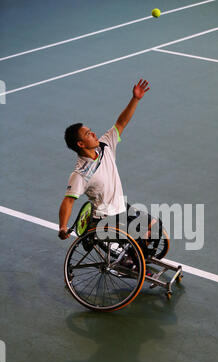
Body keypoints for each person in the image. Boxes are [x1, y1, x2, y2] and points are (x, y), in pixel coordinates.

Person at [58, 79, 158, 252]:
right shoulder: (80, 173)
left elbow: (121, 123)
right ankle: (128, 260)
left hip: (120, 207)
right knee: (139, 239)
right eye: (88, 134)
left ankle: (137, 256)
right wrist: (62, 227)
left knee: (153, 225)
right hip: (105, 218)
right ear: (81, 144)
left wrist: (135, 99)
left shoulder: (105, 146)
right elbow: (68, 201)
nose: (94, 133)